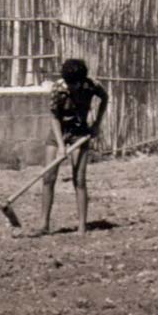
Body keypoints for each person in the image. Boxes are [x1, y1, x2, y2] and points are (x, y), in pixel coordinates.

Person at [39, 58, 108, 235]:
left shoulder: (91, 85)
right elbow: (54, 118)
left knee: (79, 179)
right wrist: (61, 146)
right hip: (58, 132)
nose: (70, 87)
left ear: (81, 81)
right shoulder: (58, 89)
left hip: (79, 133)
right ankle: (44, 224)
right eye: (68, 83)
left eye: (74, 84)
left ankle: (82, 226)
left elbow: (104, 97)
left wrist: (96, 124)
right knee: (48, 177)